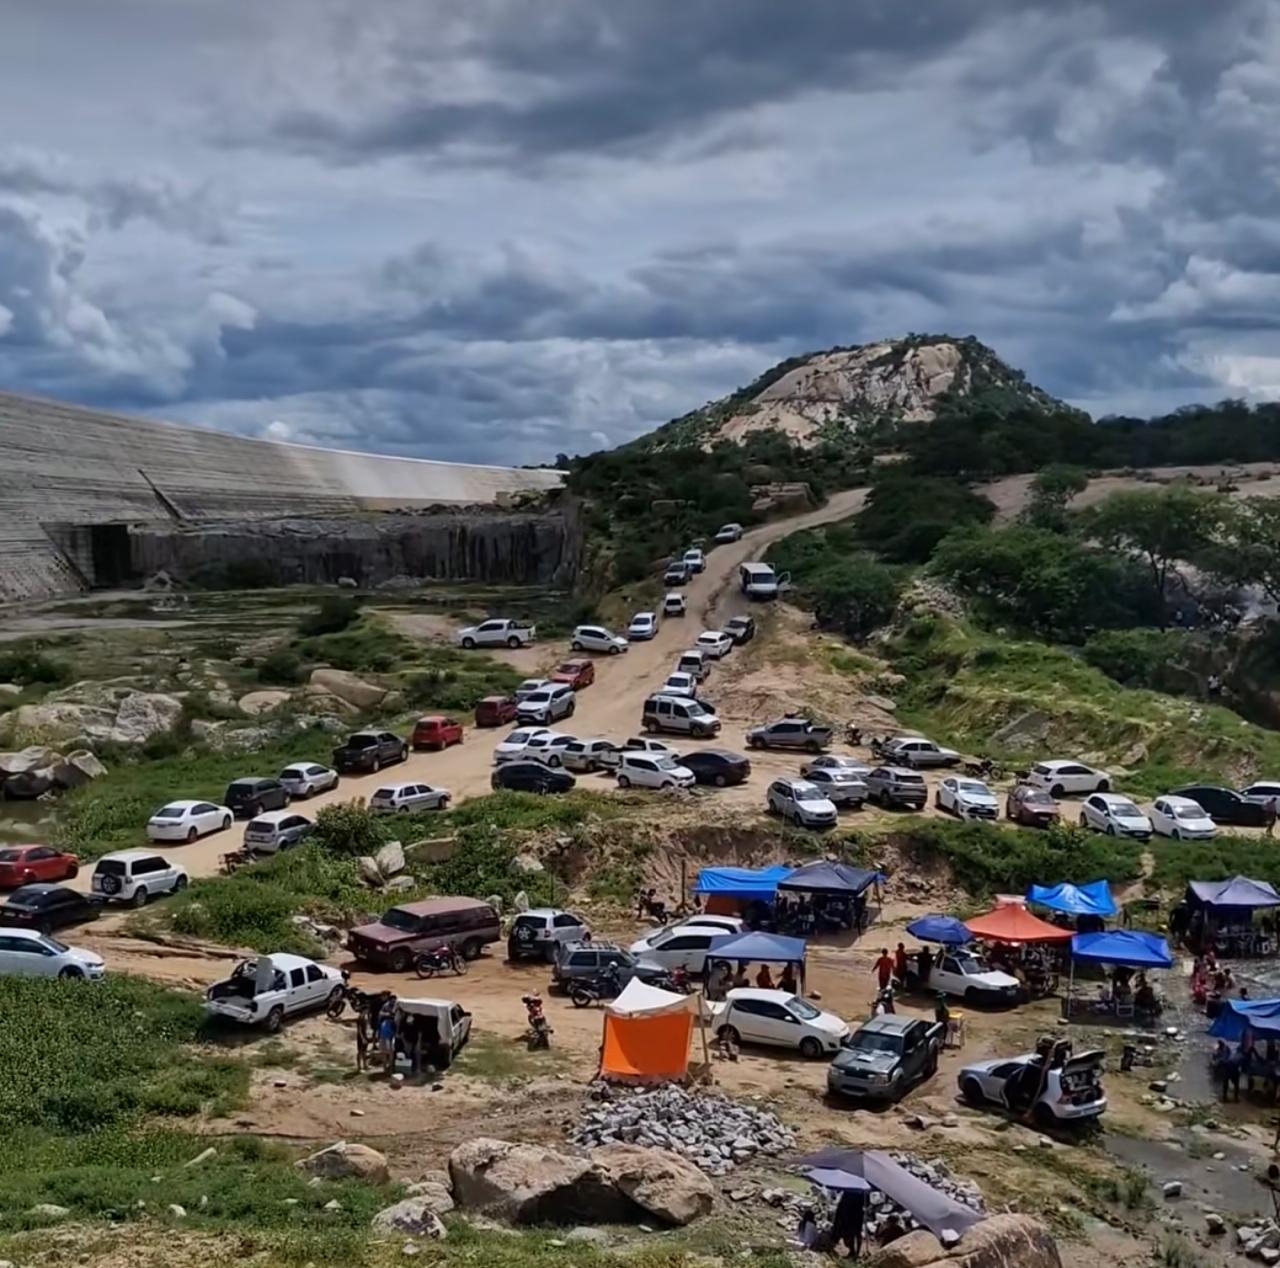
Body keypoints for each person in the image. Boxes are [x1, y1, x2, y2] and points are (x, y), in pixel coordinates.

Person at [831, 1189, 866, 1259]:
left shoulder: (856, 1187)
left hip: (852, 1210)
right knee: (853, 1232)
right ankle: (853, 1251)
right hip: (854, 1210)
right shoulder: (858, 1187)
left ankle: (854, 1251)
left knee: (852, 1232)